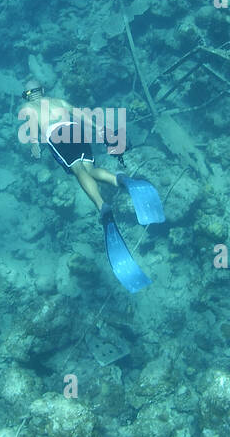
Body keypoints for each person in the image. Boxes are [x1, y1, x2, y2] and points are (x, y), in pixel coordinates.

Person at [17, 85, 165, 292]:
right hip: (75, 129)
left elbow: (33, 130)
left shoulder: (27, 107)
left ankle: (102, 207)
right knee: (90, 168)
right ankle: (120, 180)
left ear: (26, 95)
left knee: (78, 170)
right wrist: (101, 130)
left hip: (55, 136)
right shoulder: (58, 101)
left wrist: (34, 146)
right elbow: (82, 116)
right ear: (41, 90)